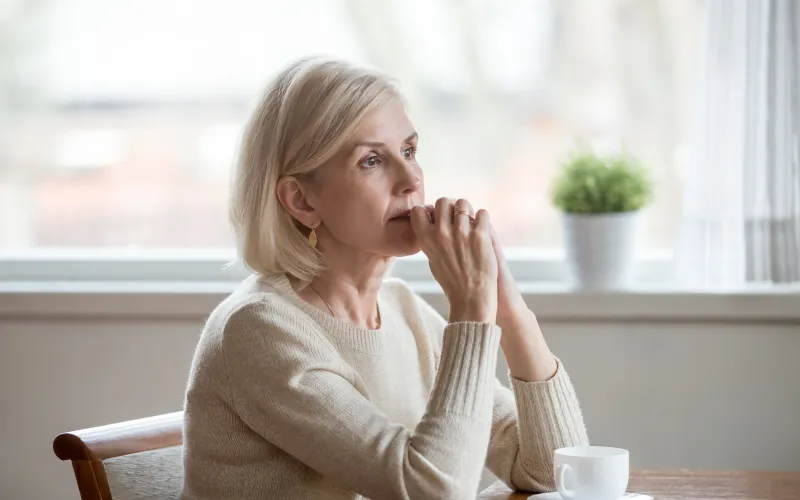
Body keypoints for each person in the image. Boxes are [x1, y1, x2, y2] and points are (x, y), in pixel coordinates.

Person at [181, 58, 589, 500]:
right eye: (372, 160)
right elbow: (431, 491)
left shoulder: (402, 311)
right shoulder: (260, 329)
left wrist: (505, 303)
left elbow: (557, 474)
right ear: (301, 200)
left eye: (410, 151)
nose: (412, 179)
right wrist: (470, 310)